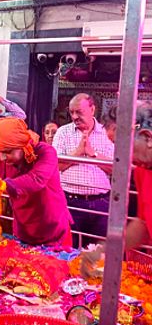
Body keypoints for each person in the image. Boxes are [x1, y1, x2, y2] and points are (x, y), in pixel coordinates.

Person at [81, 102, 152, 277]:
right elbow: (143, 223)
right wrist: (105, 250)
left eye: (122, 147)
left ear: (147, 137)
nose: (119, 156)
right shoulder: (143, 171)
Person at [0, 117, 73, 247]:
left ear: (22, 146)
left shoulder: (45, 152)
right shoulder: (1, 156)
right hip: (24, 232)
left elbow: (37, 179)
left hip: (53, 232)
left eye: (7, 152)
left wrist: (2, 185)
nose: (2, 157)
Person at [53, 93, 114, 247]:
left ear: (92, 109)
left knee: (99, 254)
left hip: (101, 202)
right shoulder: (62, 132)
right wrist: (78, 153)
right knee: (67, 249)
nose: (74, 116)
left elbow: (114, 168)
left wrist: (92, 153)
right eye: (71, 112)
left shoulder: (107, 133)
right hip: (70, 201)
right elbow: (55, 165)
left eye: (79, 112)